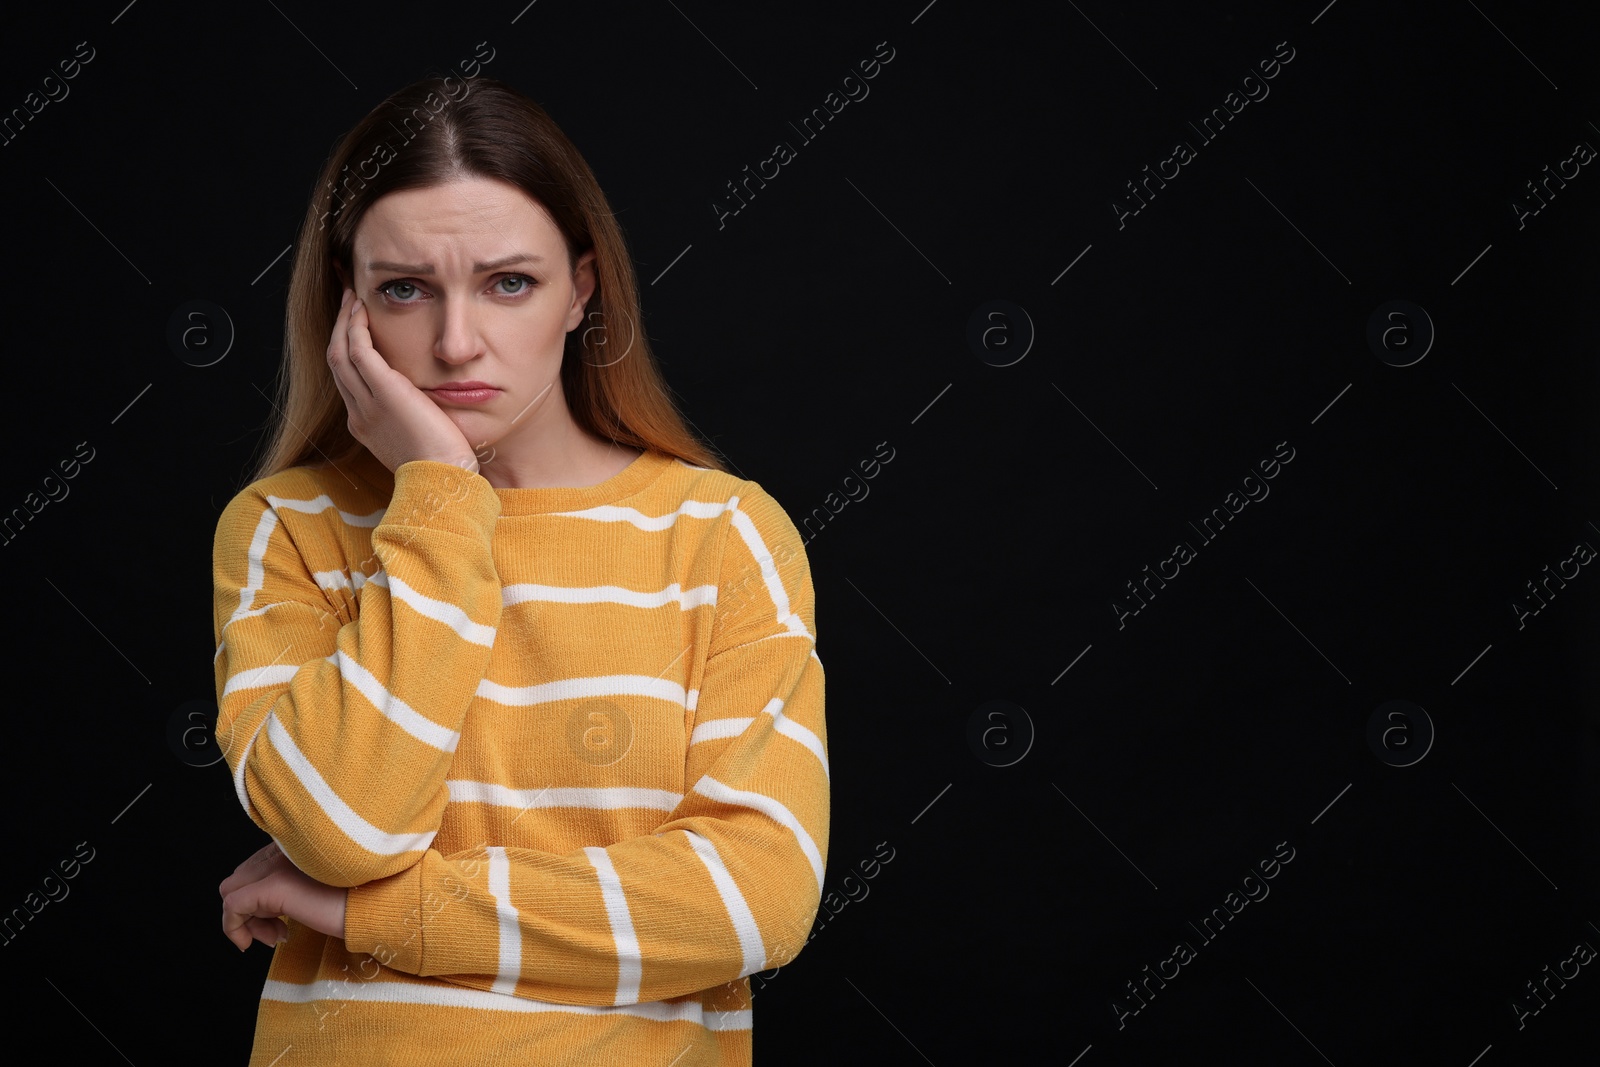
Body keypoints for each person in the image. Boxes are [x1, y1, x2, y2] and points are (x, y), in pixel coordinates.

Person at [210, 74, 828, 1066]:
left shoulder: (722, 534)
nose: (457, 343)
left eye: (509, 282)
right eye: (404, 289)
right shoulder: (286, 528)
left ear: (582, 287)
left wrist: (373, 914)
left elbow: (752, 901)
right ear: (347, 305)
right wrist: (441, 493)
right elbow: (344, 827)